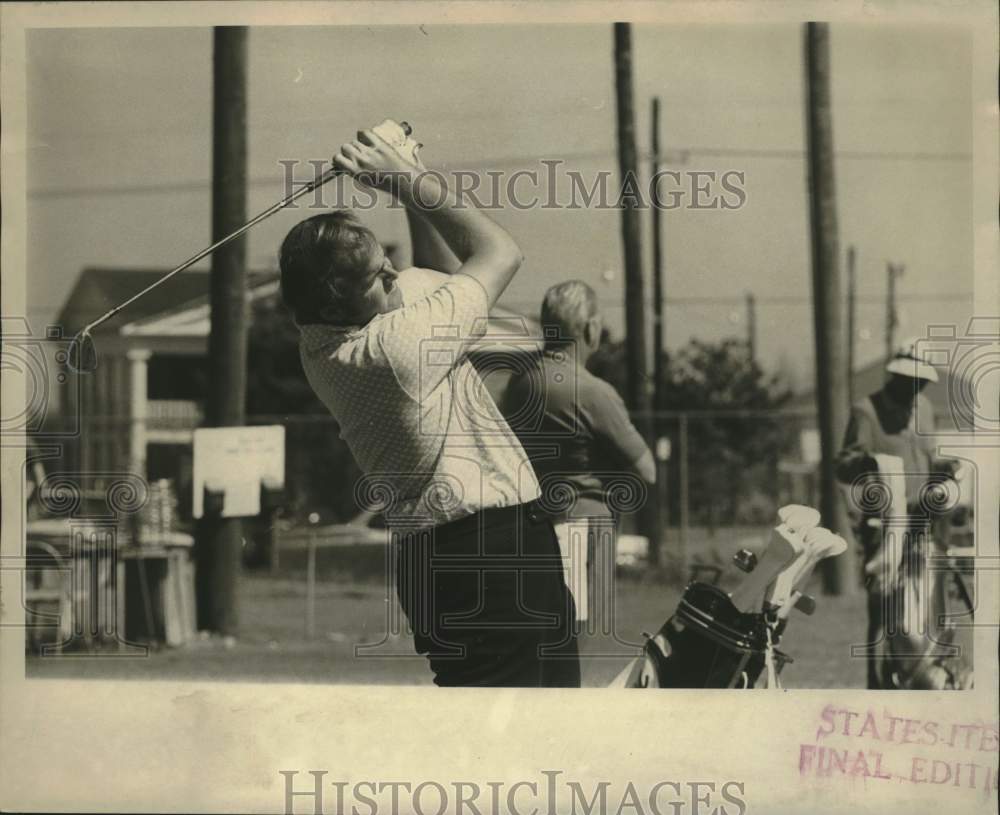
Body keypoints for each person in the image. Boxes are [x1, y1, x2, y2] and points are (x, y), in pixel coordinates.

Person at [278, 121, 579, 687]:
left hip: (451, 554)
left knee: (535, 726)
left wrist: (405, 187)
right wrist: (410, 180)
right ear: (343, 294)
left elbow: (437, 277)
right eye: (377, 273)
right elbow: (498, 252)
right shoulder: (398, 348)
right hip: (486, 555)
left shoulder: (326, 336)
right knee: (527, 738)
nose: (393, 271)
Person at [500, 281, 655, 629]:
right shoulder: (593, 392)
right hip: (584, 522)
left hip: (531, 522)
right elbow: (647, 469)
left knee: (543, 634)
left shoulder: (520, 383)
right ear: (590, 328)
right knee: (580, 637)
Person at [836, 340, 961, 689]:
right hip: (886, 522)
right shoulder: (866, 411)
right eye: (914, 382)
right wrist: (867, 462)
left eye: (923, 383)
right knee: (885, 604)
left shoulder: (922, 408)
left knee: (927, 599)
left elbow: (925, 458)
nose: (919, 388)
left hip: (925, 520)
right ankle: (877, 679)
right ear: (896, 378)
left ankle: (927, 670)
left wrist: (944, 469)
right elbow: (843, 465)